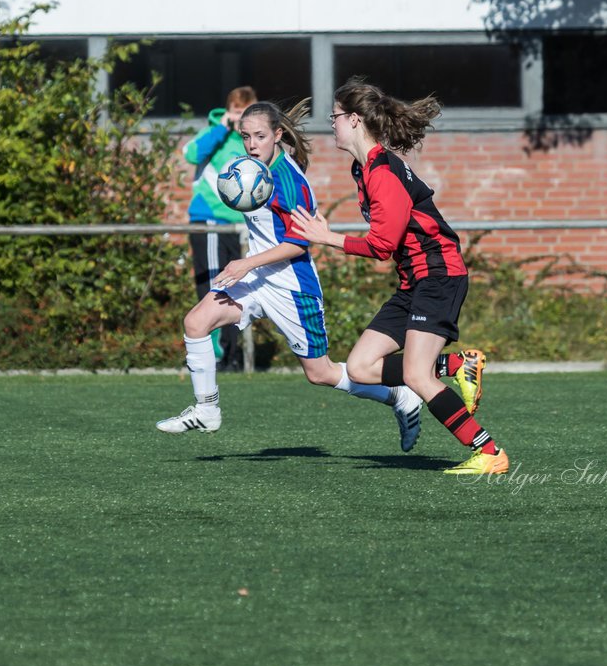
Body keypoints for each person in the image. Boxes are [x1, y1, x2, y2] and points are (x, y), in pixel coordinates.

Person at [156, 100, 426, 449]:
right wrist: (249, 264)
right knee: (195, 323)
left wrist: (245, 263)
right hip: (256, 279)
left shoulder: (289, 180)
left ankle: (400, 397)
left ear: (277, 135)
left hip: (291, 287)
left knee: (321, 373)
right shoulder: (248, 169)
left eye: (260, 136)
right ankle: (207, 410)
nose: (252, 144)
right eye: (246, 137)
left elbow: (300, 244)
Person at [290, 79, 509, 475]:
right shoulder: (364, 167)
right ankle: (458, 364)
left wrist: (327, 238)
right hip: (414, 282)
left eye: (335, 117)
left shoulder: (381, 171)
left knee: (415, 375)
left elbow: (382, 245)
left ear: (354, 120)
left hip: (439, 275)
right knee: (359, 367)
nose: (332, 124)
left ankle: (489, 451)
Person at [183, 86, 257, 372]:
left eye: (246, 112)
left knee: (237, 289)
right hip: (211, 220)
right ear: (229, 110)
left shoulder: (250, 140)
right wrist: (223, 127)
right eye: (237, 111)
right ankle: (213, 355)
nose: (241, 118)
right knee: (214, 287)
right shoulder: (216, 131)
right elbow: (190, 153)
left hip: (240, 224)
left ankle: (231, 354)